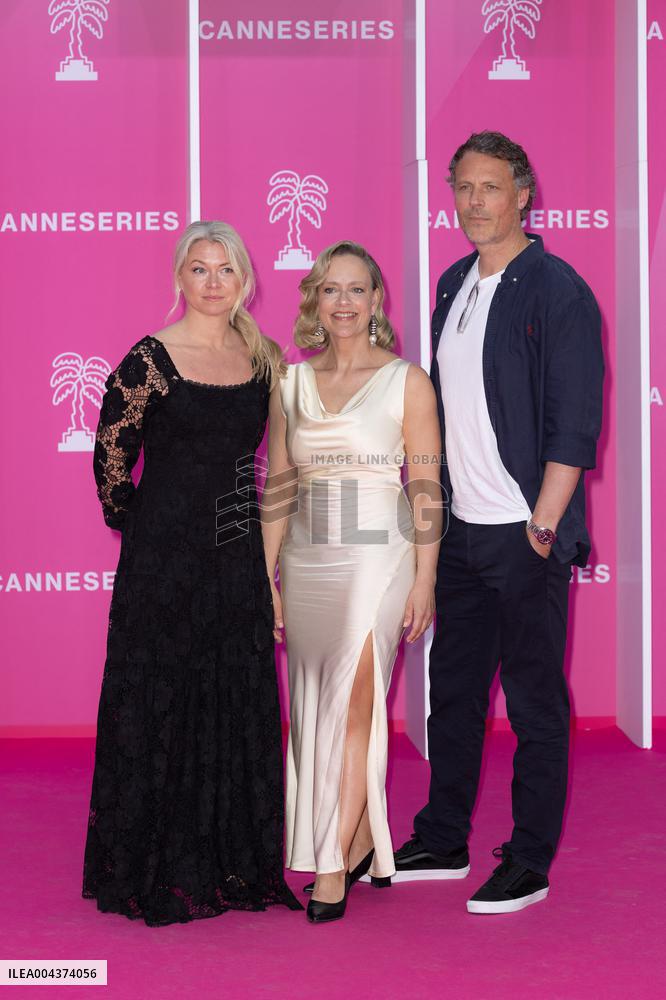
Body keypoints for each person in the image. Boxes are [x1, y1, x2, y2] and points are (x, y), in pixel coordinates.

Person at [393, 131, 604, 914]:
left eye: (489, 187)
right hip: (461, 531)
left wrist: (543, 526)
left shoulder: (556, 287)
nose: (474, 202)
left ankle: (529, 859)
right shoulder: (453, 284)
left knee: (533, 699)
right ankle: (444, 837)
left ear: (524, 194)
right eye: (463, 188)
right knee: (453, 693)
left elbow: (575, 421)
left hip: (524, 531)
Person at [83, 220, 301, 925]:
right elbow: (110, 458)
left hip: (236, 552)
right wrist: (140, 526)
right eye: (199, 269)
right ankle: (153, 860)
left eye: (226, 270)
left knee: (232, 697)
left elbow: (277, 472)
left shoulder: (264, 357)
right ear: (180, 278)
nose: (212, 282)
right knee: (163, 699)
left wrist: (266, 567)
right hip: (165, 558)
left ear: (245, 280)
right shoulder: (149, 358)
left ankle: (229, 858)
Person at [261, 241, 442, 923]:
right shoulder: (290, 383)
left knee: (354, 700)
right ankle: (362, 838)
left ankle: (331, 860)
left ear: (376, 301)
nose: (343, 302)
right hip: (307, 557)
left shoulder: (406, 380)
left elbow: (424, 484)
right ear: (315, 299)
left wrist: (424, 577)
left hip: (380, 554)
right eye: (330, 290)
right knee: (313, 704)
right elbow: (278, 485)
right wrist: (267, 575)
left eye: (357, 289)